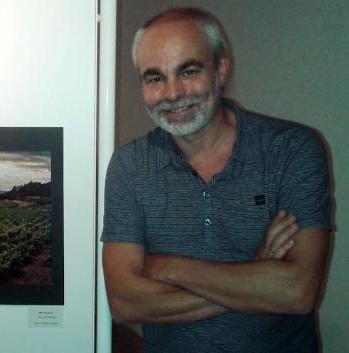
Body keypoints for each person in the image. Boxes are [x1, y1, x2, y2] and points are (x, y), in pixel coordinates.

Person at [101, 7, 332, 353]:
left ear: (221, 69)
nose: (172, 93)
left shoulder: (292, 150)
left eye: (188, 71)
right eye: (154, 78)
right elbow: (124, 303)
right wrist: (256, 274)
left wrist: (168, 268)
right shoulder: (129, 166)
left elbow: (298, 291)